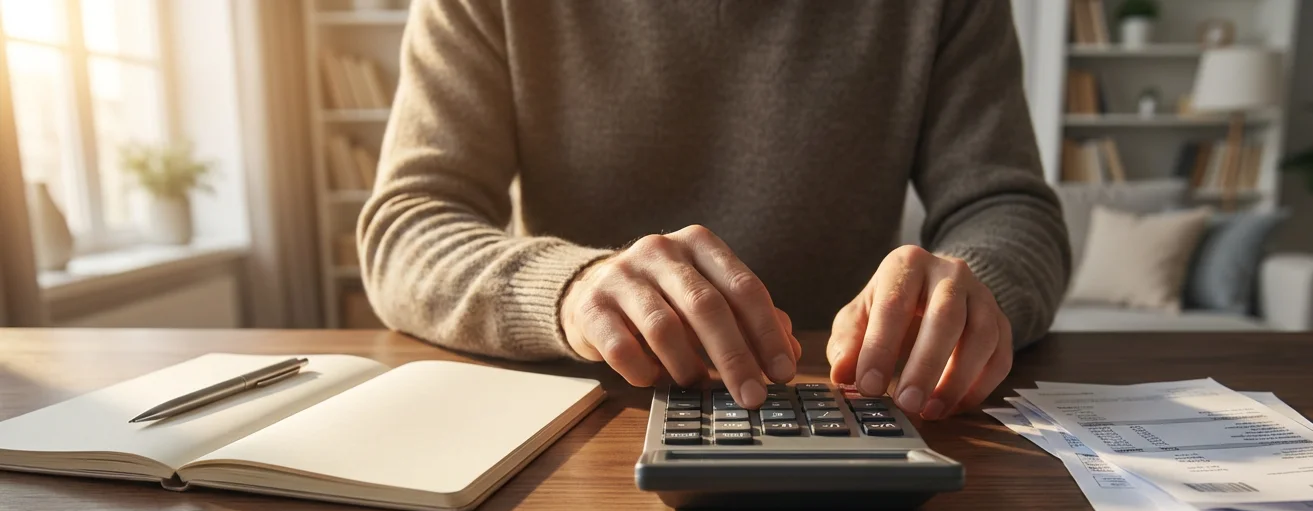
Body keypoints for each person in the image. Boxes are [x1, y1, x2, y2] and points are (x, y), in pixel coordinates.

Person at [359, 0, 1070, 419]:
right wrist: (573, 291)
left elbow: (1007, 205)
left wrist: (972, 287)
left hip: (859, 403)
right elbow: (410, 225)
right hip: (586, 418)